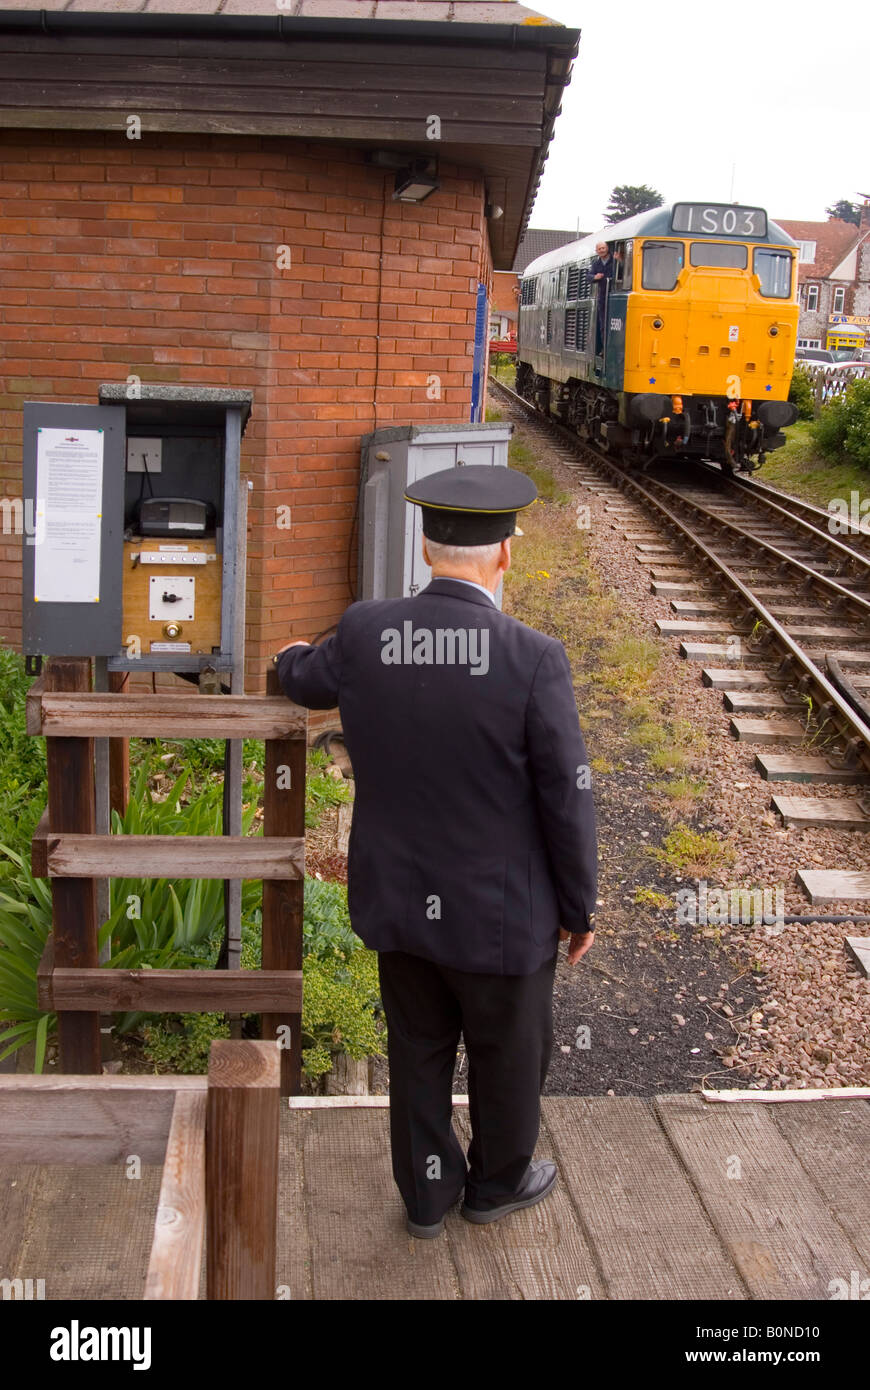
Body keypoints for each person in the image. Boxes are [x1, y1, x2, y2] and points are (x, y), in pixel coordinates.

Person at [273, 464, 598, 1239]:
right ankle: (495, 1185)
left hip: (402, 904)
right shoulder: (533, 658)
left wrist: (288, 656)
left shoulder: (363, 631)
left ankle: (425, 1198)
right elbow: (567, 797)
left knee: (417, 1049)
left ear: (425, 548)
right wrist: (579, 906)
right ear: (506, 554)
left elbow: (304, 678)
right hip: (502, 917)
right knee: (509, 1055)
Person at [590, 240, 614, 355]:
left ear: (607, 248)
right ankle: (605, 347)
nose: (601, 250)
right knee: (603, 323)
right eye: (599, 249)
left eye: (603, 248)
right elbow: (588, 276)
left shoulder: (614, 260)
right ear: (596, 251)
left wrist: (620, 260)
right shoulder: (596, 264)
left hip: (614, 293)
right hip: (603, 296)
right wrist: (595, 276)